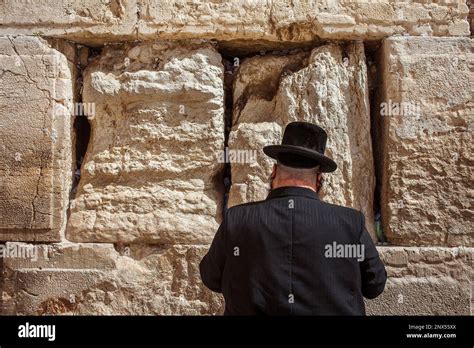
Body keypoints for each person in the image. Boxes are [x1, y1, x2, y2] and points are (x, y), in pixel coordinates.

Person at [200, 121, 387, 315]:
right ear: (319, 178)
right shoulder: (350, 223)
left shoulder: (237, 219)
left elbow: (210, 277)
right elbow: (375, 285)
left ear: (273, 171)